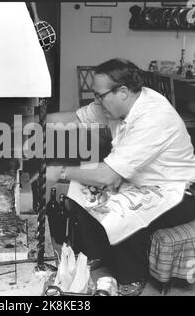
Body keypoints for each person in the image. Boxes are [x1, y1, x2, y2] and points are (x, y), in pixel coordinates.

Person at [45, 58, 195, 296]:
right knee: (80, 187)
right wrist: (32, 123)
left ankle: (131, 278)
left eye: (99, 95)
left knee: (120, 206)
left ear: (123, 91)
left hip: (179, 191)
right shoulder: (114, 103)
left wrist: (61, 171)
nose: (96, 101)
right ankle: (98, 258)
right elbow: (74, 119)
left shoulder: (153, 117)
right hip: (142, 179)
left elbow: (106, 175)